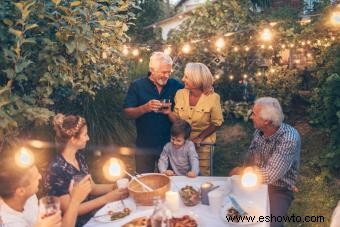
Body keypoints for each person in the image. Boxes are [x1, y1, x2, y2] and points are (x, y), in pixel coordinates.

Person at [44, 114, 129, 227]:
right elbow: (73, 209)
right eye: (85, 134)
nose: (88, 138)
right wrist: (107, 198)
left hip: (91, 219)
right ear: (73, 139)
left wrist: (115, 186)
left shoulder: (78, 157)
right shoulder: (56, 170)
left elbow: (91, 188)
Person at [230, 97, 301, 227]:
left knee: (270, 223)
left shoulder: (289, 138)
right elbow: (251, 156)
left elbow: (270, 174)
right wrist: (245, 170)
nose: (251, 116)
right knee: (233, 210)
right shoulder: (260, 131)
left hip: (279, 188)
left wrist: (242, 172)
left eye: (254, 114)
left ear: (267, 121)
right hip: (254, 181)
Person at [123, 52, 183, 173]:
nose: (166, 75)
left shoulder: (176, 86)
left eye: (169, 72)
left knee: (170, 182)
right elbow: (126, 113)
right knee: (145, 182)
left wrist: (169, 113)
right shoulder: (137, 86)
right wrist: (145, 108)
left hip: (171, 146)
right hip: (145, 146)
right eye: (163, 72)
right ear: (152, 70)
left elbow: (182, 120)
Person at [165, 62, 223, 176]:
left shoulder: (213, 98)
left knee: (201, 176)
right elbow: (178, 121)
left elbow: (217, 123)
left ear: (196, 79)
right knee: (182, 173)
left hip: (203, 145)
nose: (183, 79)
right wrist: (168, 113)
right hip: (181, 144)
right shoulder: (180, 94)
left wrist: (200, 138)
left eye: (186, 77)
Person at [0, 155, 91, 227]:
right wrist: (75, 200)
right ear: (20, 191)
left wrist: (73, 199)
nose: (40, 177)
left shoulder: (29, 197)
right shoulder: (9, 222)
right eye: (35, 177)